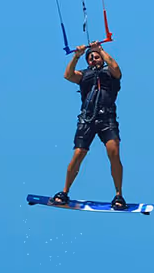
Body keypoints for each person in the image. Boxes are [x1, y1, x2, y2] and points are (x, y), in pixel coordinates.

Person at [53, 41, 127, 210]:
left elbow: (116, 68)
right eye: (91, 58)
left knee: (114, 151)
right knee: (79, 153)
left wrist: (100, 49)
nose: (94, 59)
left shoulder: (110, 72)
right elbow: (68, 75)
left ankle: (119, 195)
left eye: (96, 57)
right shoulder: (84, 74)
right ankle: (64, 192)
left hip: (107, 119)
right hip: (87, 120)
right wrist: (77, 56)